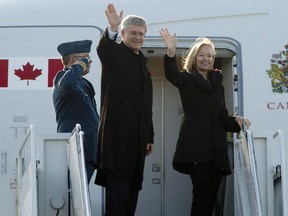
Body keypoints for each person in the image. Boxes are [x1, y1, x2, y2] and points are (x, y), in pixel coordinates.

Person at [159, 28, 251, 216]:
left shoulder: (218, 83)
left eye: (209, 55)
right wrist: (170, 52)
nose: (206, 59)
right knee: (201, 193)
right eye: (202, 55)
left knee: (211, 196)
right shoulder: (186, 79)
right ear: (195, 57)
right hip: (194, 144)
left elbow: (223, 116)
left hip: (216, 148)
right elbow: (171, 74)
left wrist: (238, 122)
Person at [95, 3, 154, 216]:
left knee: (131, 197)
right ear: (123, 33)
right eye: (133, 33)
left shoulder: (142, 63)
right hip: (117, 140)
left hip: (137, 142)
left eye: (142, 34)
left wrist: (149, 136)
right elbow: (104, 49)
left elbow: (147, 105)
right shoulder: (115, 54)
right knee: (116, 200)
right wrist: (110, 29)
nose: (138, 37)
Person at [52, 40, 99, 183]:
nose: (89, 61)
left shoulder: (84, 83)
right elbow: (68, 83)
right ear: (72, 60)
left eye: (88, 58)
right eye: (85, 58)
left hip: (89, 149)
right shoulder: (62, 77)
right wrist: (79, 64)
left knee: (80, 196)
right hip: (76, 147)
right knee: (73, 194)